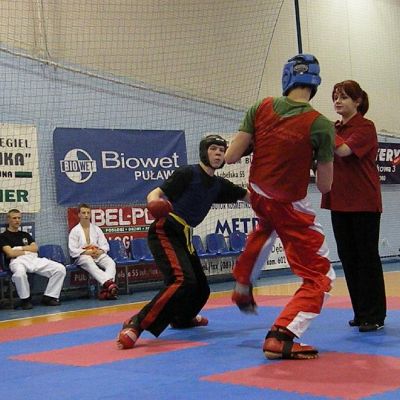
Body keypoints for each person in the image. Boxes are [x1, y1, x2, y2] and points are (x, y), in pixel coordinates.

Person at [225, 54, 335, 360]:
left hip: (260, 195)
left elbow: (231, 157)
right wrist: (314, 158)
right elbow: (325, 186)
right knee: (321, 276)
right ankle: (282, 334)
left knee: (267, 225)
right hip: (290, 204)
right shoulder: (321, 125)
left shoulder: (260, 107)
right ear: (315, 85)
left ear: (287, 79)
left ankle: (243, 281)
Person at [117, 134, 249, 349]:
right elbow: (155, 193)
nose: (218, 153)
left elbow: (247, 196)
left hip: (184, 235)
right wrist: (154, 204)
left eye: (222, 150)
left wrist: (273, 205)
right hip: (165, 229)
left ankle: (182, 319)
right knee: (182, 280)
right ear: (204, 152)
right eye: (213, 149)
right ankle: (136, 324)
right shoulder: (187, 173)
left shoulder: (218, 185)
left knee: (201, 289)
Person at [321, 80, 386, 332]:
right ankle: (360, 312)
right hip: (339, 201)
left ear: (357, 101)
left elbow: (344, 150)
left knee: (367, 258)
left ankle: (374, 314)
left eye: (344, 97)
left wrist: (323, 129)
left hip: (363, 202)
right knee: (348, 257)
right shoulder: (334, 128)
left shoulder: (366, 127)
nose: (338, 101)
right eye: (335, 97)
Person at [0, 209, 66, 309]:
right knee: (19, 274)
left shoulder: (25, 235)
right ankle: (25, 300)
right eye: (14, 218)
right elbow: (10, 253)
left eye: (19, 218)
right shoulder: (3, 236)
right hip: (17, 261)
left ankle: (49, 297)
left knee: (60, 269)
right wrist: (27, 250)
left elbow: (35, 248)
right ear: (8, 219)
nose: (17, 220)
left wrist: (19, 248)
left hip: (33, 259)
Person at [68, 203, 118, 300]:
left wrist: (100, 251)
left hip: (97, 254)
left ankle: (107, 291)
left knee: (111, 263)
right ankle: (109, 285)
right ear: (79, 215)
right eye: (83, 213)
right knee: (89, 261)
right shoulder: (74, 231)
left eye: (88, 213)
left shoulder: (96, 229)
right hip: (83, 256)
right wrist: (88, 252)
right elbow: (72, 250)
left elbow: (105, 245)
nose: (86, 215)